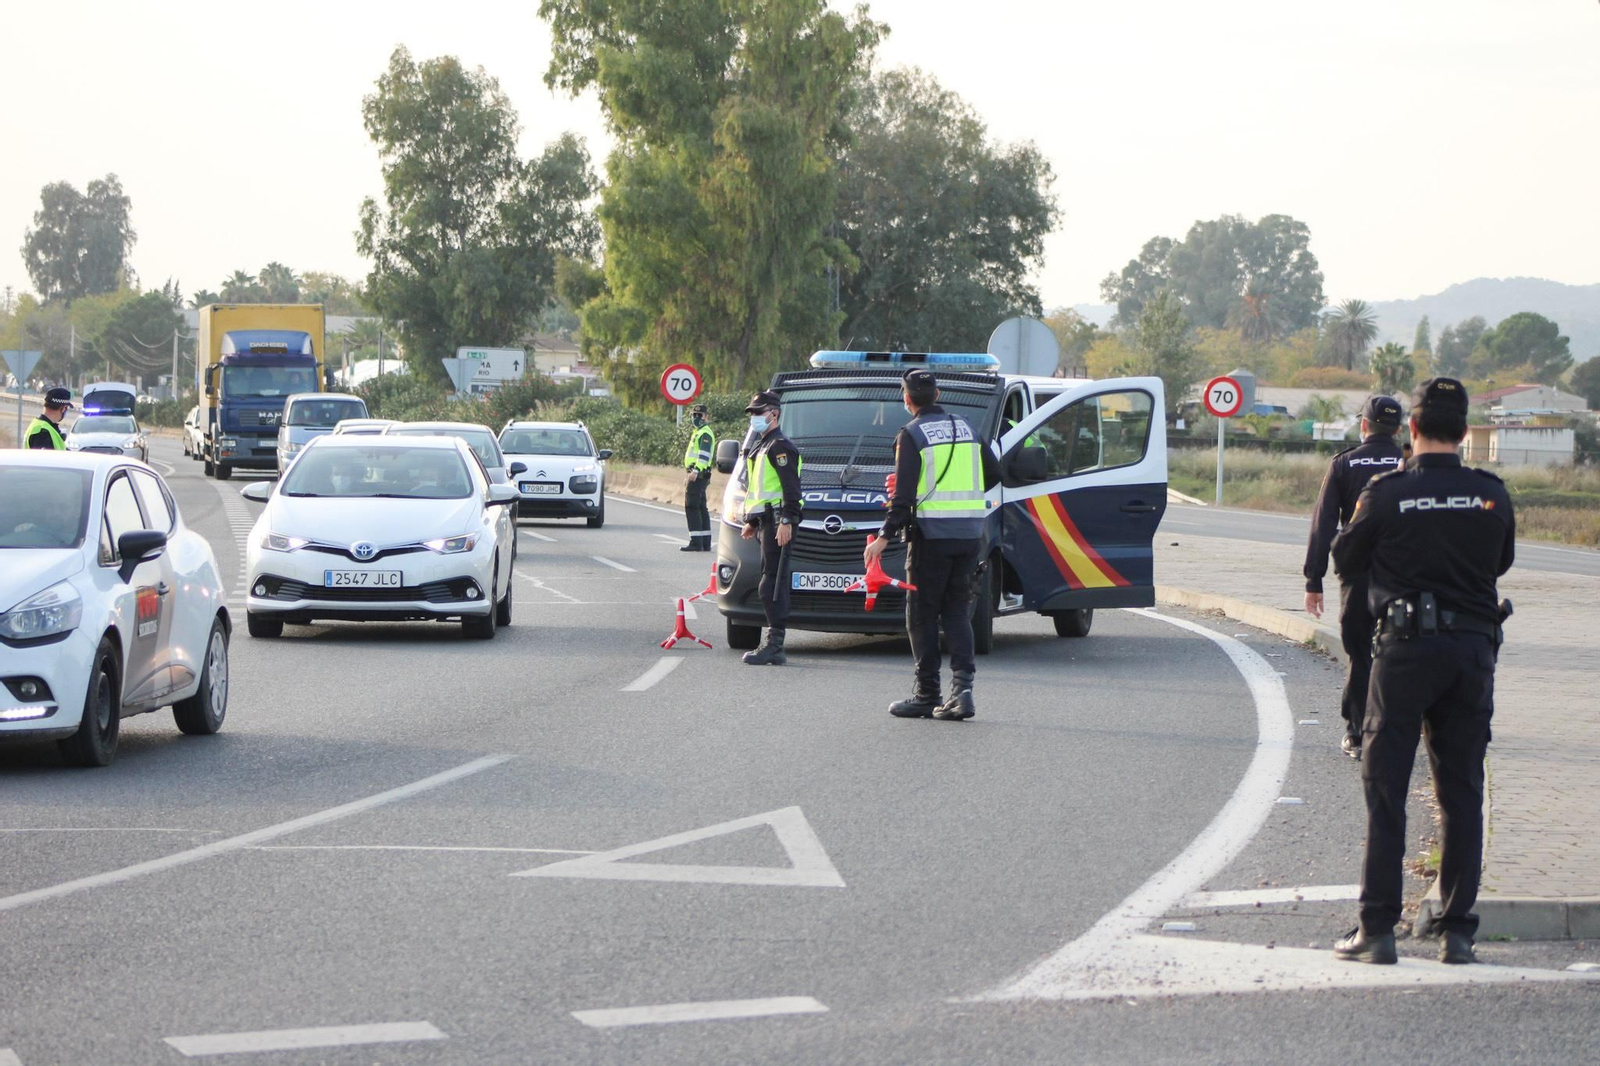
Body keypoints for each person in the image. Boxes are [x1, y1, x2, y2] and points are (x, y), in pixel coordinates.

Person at [1329, 377, 1515, 967]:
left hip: (1404, 654)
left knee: (1387, 791)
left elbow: (1345, 557)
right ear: (1464, 434)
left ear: (1411, 429)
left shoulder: (1387, 492)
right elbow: (1502, 560)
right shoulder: (1491, 494)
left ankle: (1377, 931)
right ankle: (1457, 932)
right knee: (1461, 790)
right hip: (1471, 655)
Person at [867, 369, 1000, 720]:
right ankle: (963, 692)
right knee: (956, 612)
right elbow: (995, 474)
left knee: (921, 615)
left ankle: (928, 694)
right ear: (937, 394)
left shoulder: (911, 434)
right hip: (970, 535)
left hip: (931, 538)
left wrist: (883, 537)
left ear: (906, 398)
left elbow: (903, 497)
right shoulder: (967, 427)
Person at [1303, 394, 1406, 760]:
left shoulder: (1344, 464)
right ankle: (1400, 728)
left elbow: (1323, 524)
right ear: (1397, 429)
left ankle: (1357, 733)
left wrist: (1313, 581)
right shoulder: (1409, 463)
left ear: (1363, 425)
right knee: (1405, 651)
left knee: (1360, 654)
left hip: (1358, 572)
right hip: (1404, 573)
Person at [739, 391, 803, 665]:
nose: (754, 417)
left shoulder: (780, 446)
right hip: (767, 521)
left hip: (779, 521)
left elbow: (791, 488)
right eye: (752, 413)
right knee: (770, 581)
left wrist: (787, 520)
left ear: (774, 414)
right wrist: (753, 521)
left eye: (759, 412)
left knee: (772, 586)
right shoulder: (764, 444)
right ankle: (774, 645)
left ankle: (775, 645)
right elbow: (761, 488)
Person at [681, 403, 715, 552]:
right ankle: (704, 543)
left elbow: (704, 455)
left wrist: (695, 471)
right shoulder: (698, 432)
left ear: (706, 417)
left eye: (699, 415)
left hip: (698, 474)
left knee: (692, 506)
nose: (696, 418)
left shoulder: (704, 433)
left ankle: (696, 542)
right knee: (701, 507)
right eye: (694, 415)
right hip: (697, 474)